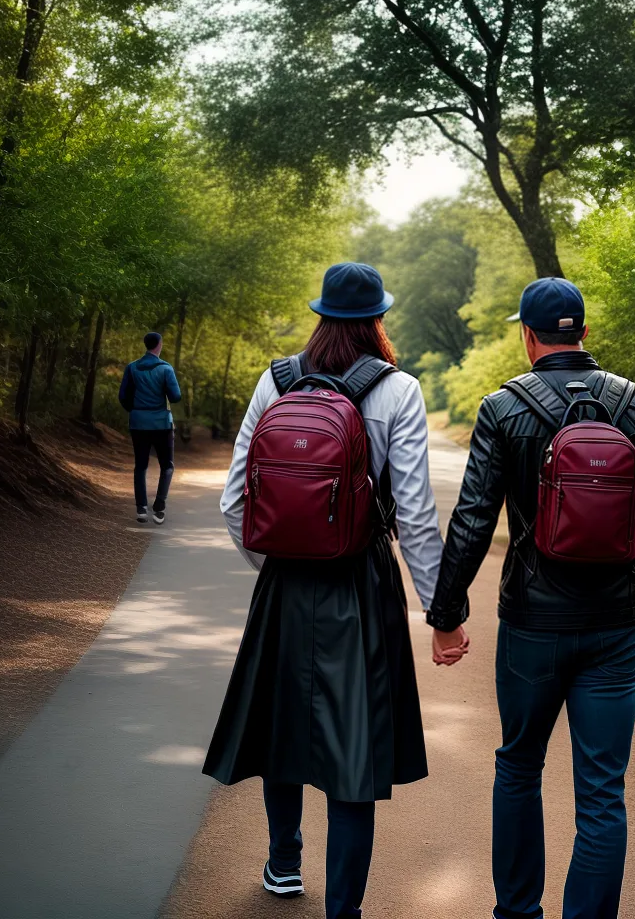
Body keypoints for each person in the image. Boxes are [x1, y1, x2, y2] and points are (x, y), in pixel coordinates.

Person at [203, 262, 452, 918]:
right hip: (361, 583)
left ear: (320, 316)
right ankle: (345, 909)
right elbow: (415, 514)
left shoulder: (277, 380)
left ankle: (283, 865)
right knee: (354, 749)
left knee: (280, 725)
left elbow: (233, 502)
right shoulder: (398, 390)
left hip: (284, 584)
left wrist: (277, 564)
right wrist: (440, 611)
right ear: (378, 319)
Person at [427, 277, 635, 919]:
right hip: (616, 625)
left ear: (528, 337)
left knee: (518, 768)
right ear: (583, 332)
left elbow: (473, 521)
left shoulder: (503, 408)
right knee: (602, 792)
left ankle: (517, 913)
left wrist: (447, 615)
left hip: (532, 624)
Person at [118, 331, 182, 525]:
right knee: (167, 466)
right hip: (162, 424)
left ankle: (141, 509)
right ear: (159, 345)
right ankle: (159, 508)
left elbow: (123, 396)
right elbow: (175, 397)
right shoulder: (166, 369)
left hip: (138, 423)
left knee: (141, 466)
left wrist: (136, 411)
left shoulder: (132, 368)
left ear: (146, 345)